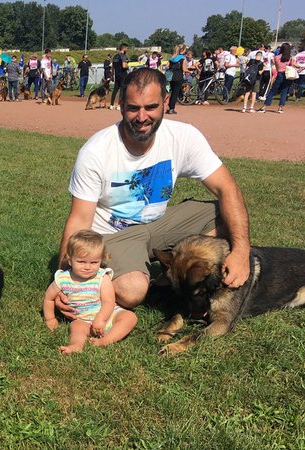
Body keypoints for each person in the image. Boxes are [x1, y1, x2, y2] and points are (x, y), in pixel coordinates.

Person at [52, 67, 250, 315]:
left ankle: (181, 275)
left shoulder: (184, 136)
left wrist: (242, 252)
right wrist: (64, 280)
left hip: (160, 223)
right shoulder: (96, 151)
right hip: (115, 234)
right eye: (133, 108)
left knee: (226, 215)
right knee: (133, 291)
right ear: (122, 104)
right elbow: (79, 219)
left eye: (151, 107)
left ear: (165, 102)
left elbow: (227, 188)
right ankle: (157, 282)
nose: (142, 116)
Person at [43, 230, 137, 354]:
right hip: (83, 320)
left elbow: (109, 301)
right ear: (70, 260)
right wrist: (50, 319)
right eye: (81, 262)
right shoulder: (63, 279)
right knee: (77, 328)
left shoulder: (102, 277)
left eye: (94, 262)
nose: (88, 267)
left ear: (101, 260)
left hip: (108, 315)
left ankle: (105, 341)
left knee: (130, 317)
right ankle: (76, 346)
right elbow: (49, 298)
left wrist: (101, 318)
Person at [258, 43, 301, 114]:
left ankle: (264, 107)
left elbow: (277, 67)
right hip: (287, 75)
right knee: (284, 91)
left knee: (272, 91)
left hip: (280, 74)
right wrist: (299, 67)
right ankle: (280, 108)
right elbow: (292, 65)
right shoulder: (290, 58)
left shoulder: (276, 57)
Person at [166, 44, 186, 115]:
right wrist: (189, 71)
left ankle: (169, 107)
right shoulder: (182, 58)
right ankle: (172, 108)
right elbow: (184, 69)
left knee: (172, 92)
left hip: (171, 77)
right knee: (175, 93)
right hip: (178, 77)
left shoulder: (173, 57)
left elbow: (167, 66)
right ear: (183, 50)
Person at [109, 44, 129, 109]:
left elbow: (112, 67)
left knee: (115, 90)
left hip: (117, 74)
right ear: (124, 48)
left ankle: (111, 105)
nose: (127, 49)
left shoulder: (115, 56)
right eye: (127, 48)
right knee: (122, 90)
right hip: (123, 74)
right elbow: (123, 65)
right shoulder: (123, 56)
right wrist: (128, 65)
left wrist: (112, 75)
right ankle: (119, 105)